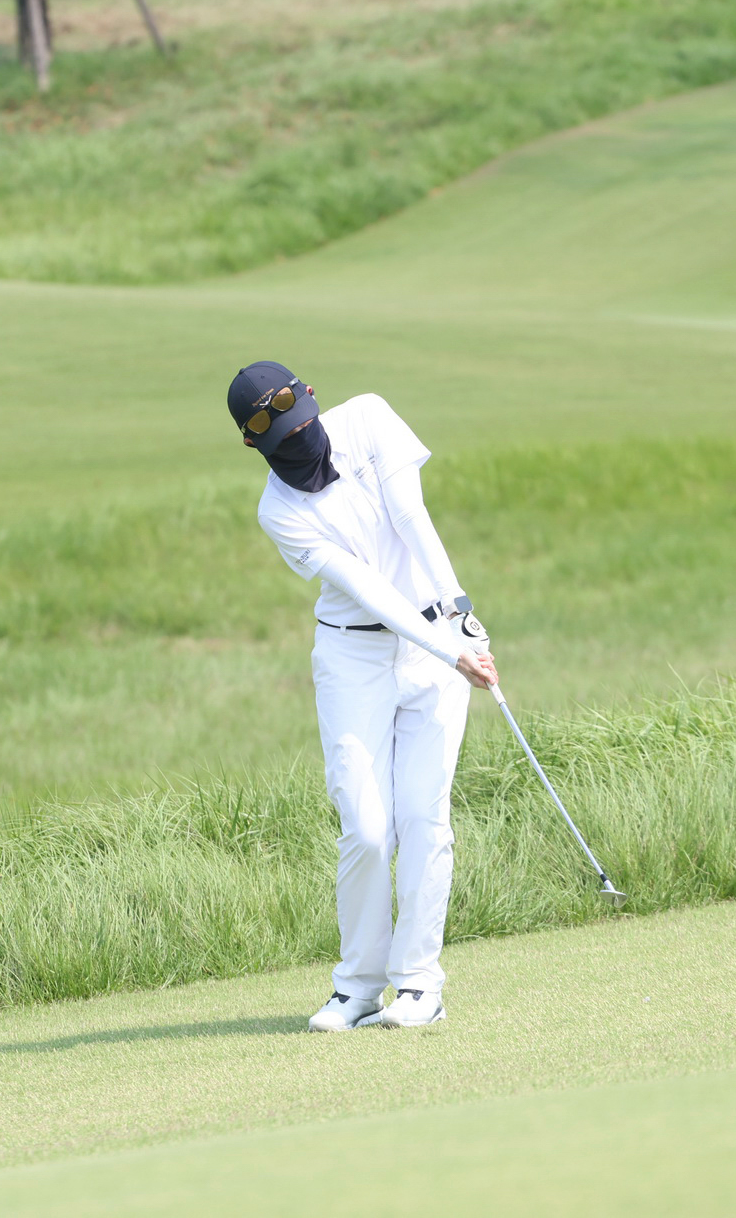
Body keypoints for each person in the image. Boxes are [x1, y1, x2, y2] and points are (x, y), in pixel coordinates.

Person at [227, 361, 497, 1031]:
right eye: (277, 437)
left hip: (437, 637)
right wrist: (451, 649)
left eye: (300, 424)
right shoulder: (278, 510)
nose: (298, 442)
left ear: (312, 399)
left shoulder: (371, 416)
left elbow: (412, 516)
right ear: (253, 445)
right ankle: (356, 988)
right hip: (355, 657)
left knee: (423, 818)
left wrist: (458, 612)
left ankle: (419, 988)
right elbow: (367, 588)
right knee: (368, 829)